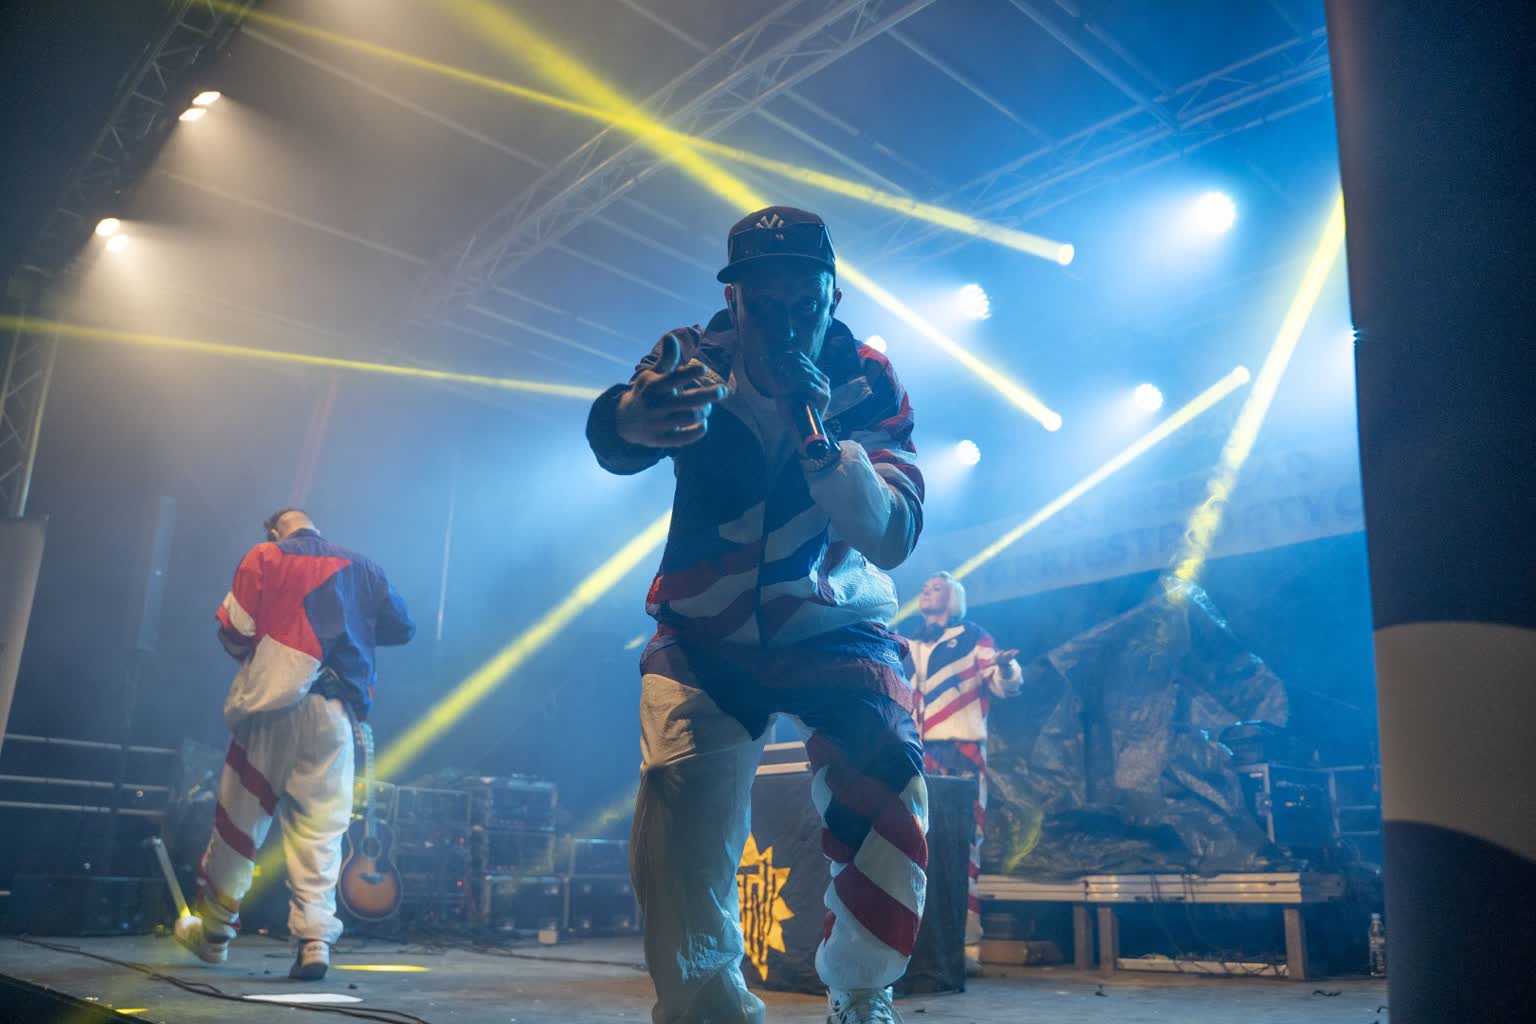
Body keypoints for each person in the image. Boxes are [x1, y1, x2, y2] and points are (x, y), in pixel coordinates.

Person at [587, 207, 927, 1024]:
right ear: (732, 302)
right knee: (676, 804)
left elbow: (893, 535)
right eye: (762, 306)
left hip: (834, 623)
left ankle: (863, 991)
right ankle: (706, 1005)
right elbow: (619, 431)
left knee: (886, 773)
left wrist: (824, 445)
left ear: (834, 298)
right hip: (705, 629)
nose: (784, 326)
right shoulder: (692, 359)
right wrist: (631, 419)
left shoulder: (867, 380)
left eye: (804, 305)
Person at [174, 508, 414, 980]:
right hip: (334, 712)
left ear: (274, 530)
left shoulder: (264, 556)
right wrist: (349, 629)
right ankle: (315, 940)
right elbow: (402, 627)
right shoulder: (364, 568)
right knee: (320, 830)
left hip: (272, 706)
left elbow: (234, 631)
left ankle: (216, 933)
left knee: (239, 822)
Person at [904, 571, 1022, 974]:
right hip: (916, 751)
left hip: (961, 751)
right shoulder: (911, 642)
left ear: (954, 597)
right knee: (915, 843)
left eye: (936, 587)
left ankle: (966, 945)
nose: (927, 590)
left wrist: (1007, 668)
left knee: (964, 842)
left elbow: (1004, 685)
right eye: (924, 586)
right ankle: (918, 943)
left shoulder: (974, 636)